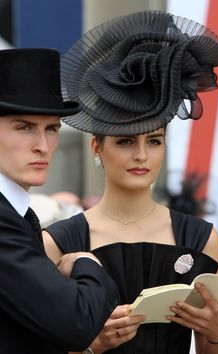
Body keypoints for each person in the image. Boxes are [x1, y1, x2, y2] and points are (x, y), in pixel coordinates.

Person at [43, 11, 218, 354]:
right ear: (97, 147)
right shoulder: (57, 244)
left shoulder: (202, 240)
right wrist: (93, 345)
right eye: (126, 141)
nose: (142, 155)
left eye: (154, 141)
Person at [0, 48, 119, 354]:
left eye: (51, 128)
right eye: (24, 127)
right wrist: (86, 263)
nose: (42, 146)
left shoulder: (16, 211)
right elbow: (76, 321)